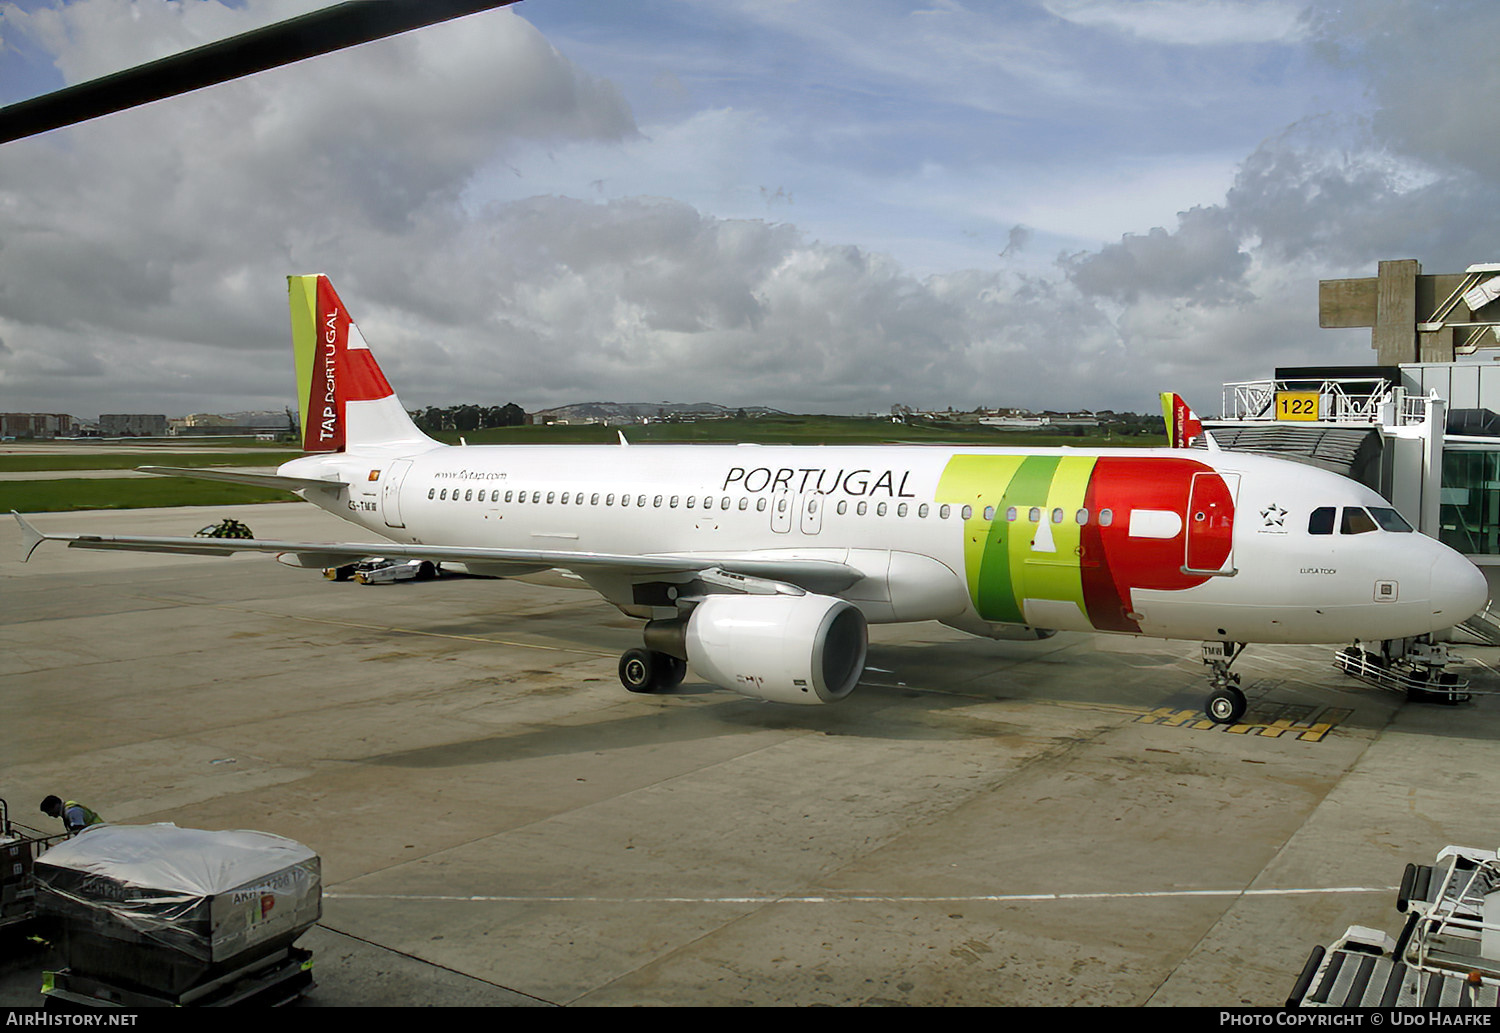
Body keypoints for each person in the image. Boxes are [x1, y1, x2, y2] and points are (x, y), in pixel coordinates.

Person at [40, 795, 104, 835]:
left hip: (99, 833)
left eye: (48, 812)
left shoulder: (72, 811)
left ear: (55, 806)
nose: (49, 815)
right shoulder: (67, 810)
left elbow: (79, 830)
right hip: (97, 832)